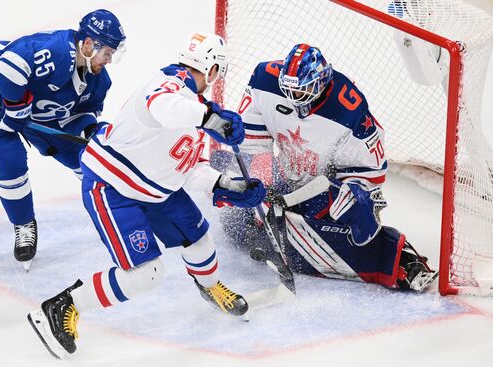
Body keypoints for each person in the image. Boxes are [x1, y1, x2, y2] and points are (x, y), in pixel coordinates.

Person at [27, 32, 266, 359]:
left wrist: (228, 185)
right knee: (145, 275)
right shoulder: (169, 83)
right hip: (113, 187)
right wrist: (210, 119)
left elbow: (190, 166)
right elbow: (164, 108)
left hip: (157, 188)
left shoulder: (196, 106)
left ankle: (210, 288)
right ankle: (63, 305)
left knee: (200, 240)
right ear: (212, 69)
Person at [214, 43, 438, 292]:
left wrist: (354, 195)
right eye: (290, 90)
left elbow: (368, 171)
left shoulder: (348, 109)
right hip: (286, 174)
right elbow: (253, 144)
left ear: (321, 81)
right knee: (235, 214)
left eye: (303, 90)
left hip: (324, 184)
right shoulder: (264, 80)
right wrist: (262, 182)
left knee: (354, 219)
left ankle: (403, 265)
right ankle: (268, 231)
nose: (295, 98)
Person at [0, 9, 126, 270]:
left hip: (31, 106)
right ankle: (23, 223)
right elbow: (7, 66)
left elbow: (80, 114)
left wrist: (90, 131)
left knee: (89, 157)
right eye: (107, 53)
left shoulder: (99, 81)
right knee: (7, 154)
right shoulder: (56, 50)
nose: (109, 60)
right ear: (89, 44)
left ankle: (120, 209)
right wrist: (15, 109)